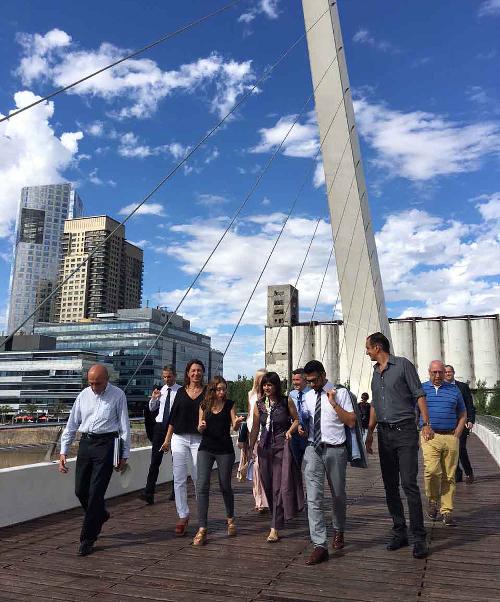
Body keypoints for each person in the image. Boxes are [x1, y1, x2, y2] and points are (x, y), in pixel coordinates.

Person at [365, 332, 432, 560]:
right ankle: (399, 531)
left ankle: (419, 537)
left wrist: (425, 423)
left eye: (368, 348)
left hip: (405, 432)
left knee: (409, 484)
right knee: (390, 486)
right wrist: (370, 432)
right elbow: (374, 404)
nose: (366, 352)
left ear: (377, 347)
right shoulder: (375, 373)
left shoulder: (403, 365)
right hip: (384, 434)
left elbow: (419, 394)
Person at [59, 364, 131, 557]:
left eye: (98, 383)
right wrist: (63, 451)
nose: (94, 387)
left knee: (96, 493)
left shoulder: (118, 395)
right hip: (86, 443)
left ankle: (87, 539)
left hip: (106, 445)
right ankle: (100, 515)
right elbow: (72, 423)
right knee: (80, 490)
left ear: (107, 380)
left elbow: (124, 427)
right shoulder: (83, 395)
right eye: (91, 383)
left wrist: (124, 455)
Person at [301, 360, 356, 566]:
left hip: (335, 449)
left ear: (323, 375)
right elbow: (306, 422)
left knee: (338, 495)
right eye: (309, 381)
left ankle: (339, 529)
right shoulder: (306, 397)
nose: (312, 384)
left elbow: (351, 421)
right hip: (313, 448)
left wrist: (333, 403)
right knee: (313, 498)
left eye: (314, 380)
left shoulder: (340, 393)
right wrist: (301, 429)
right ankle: (319, 545)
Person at [248, 371, 303, 543]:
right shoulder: (259, 405)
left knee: (279, 486)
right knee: (268, 485)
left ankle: (274, 527)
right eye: (265, 384)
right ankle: (277, 516)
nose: (267, 387)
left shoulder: (286, 401)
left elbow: (296, 420)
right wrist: (250, 449)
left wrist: (290, 431)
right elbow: (256, 428)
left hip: (281, 446)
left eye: (270, 384)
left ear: (276, 386)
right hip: (264, 448)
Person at [192, 376, 244, 546]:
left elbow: (234, 425)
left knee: (224, 485)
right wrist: (200, 427)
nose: (222, 392)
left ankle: (230, 519)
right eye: (219, 389)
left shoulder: (229, 404)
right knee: (201, 486)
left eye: (224, 389)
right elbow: (200, 426)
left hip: (225, 450)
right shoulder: (204, 405)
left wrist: (236, 423)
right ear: (212, 390)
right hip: (206, 448)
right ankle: (202, 528)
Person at [161, 359, 205, 536]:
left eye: (199, 370)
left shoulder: (208, 392)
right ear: (188, 373)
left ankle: (202, 514)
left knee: (197, 477)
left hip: (198, 439)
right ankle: (183, 514)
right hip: (179, 438)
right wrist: (166, 440)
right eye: (193, 370)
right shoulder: (180, 392)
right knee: (178, 477)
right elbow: (173, 418)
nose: (196, 373)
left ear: (202, 373)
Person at [421, 361, 466, 526]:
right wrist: (421, 427)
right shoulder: (421, 389)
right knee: (431, 470)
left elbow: (462, 411)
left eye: (440, 372)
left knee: (449, 475)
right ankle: (432, 500)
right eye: (434, 372)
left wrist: (459, 430)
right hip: (430, 436)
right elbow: (413, 410)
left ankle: (447, 511)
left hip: (450, 437)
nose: (438, 375)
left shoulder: (454, 390)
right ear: (429, 372)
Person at [139, 365, 181, 505]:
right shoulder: (161, 390)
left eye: (169, 376)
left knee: (176, 462)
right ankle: (149, 493)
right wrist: (154, 399)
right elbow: (152, 409)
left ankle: (176, 492)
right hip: (159, 427)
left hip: (175, 428)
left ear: (174, 376)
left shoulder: (181, 391)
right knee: (154, 462)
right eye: (164, 377)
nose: (166, 379)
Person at [241, 368, 269, 512]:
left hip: (264, 434)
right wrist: (243, 436)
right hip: (252, 433)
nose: (262, 381)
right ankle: (259, 500)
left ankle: (264, 499)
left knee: (260, 467)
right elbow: (249, 416)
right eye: (260, 378)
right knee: (255, 467)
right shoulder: (251, 394)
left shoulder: (269, 396)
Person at [444, 364, 476, 484]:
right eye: (445, 372)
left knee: (461, 448)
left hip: (462, 422)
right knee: (451, 449)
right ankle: (457, 474)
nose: (448, 374)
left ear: (453, 373)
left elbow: (469, 405)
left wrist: (470, 420)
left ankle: (469, 472)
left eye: (449, 372)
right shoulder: (440, 387)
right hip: (447, 424)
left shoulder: (462, 387)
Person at [288, 368, 311, 467]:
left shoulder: (312, 394)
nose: (294, 383)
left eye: (297, 380)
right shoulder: (291, 394)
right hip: (294, 434)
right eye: (293, 380)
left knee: (310, 466)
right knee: (294, 465)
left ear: (305, 380)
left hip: (309, 434)